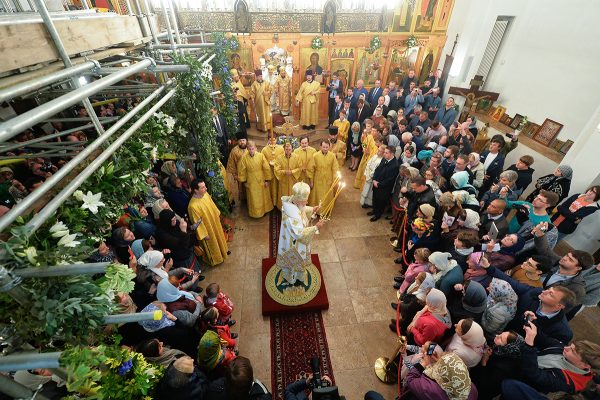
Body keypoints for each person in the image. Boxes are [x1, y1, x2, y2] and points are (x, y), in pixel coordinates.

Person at [501, 321, 600, 398]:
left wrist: (529, 345)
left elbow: (534, 374)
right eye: (571, 346)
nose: (566, 348)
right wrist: (532, 325)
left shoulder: (569, 383)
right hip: (520, 366)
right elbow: (546, 340)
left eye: (572, 351)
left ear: (585, 365)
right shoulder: (566, 351)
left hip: (523, 384)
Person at [277, 182, 324, 283]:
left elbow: (300, 209)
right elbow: (300, 234)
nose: (306, 203)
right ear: (297, 201)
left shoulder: (291, 202)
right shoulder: (292, 217)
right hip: (293, 245)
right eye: (304, 202)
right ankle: (292, 278)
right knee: (294, 261)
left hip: (291, 239)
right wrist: (316, 227)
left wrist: (312, 209)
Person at [188, 179, 229, 266]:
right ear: (195, 190)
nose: (206, 189)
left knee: (220, 237)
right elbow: (197, 222)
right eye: (202, 187)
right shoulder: (192, 206)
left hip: (214, 222)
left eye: (205, 186)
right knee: (213, 244)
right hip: (207, 229)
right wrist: (204, 234)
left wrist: (218, 216)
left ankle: (223, 252)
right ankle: (217, 259)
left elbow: (213, 205)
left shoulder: (205, 194)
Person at [238, 141, 274, 218]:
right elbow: (242, 170)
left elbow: (266, 168)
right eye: (250, 149)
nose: (251, 150)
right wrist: (244, 181)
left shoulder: (261, 156)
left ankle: (264, 211)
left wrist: (266, 180)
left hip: (261, 179)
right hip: (250, 180)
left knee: (262, 196)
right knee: (253, 198)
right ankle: (255, 213)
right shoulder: (244, 158)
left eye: (252, 148)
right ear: (247, 149)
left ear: (256, 148)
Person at [369, 145, 399, 221]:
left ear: (392, 154)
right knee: (375, 199)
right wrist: (374, 179)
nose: (384, 154)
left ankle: (377, 215)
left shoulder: (395, 165)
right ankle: (374, 210)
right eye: (384, 152)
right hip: (376, 183)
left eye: (386, 153)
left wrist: (379, 184)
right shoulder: (384, 158)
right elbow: (377, 169)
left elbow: (390, 180)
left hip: (384, 188)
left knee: (380, 202)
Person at [309, 140, 338, 206]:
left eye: (327, 147)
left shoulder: (332, 156)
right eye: (324, 147)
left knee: (327, 195)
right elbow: (311, 169)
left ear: (329, 147)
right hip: (318, 179)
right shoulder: (315, 156)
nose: (325, 149)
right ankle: (317, 210)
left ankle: (325, 210)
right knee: (317, 195)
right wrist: (311, 181)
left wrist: (334, 180)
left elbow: (335, 168)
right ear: (320, 147)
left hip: (328, 179)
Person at [273, 142, 300, 209]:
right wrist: (284, 171)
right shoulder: (279, 158)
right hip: (283, 181)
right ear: (284, 149)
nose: (288, 151)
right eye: (286, 149)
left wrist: (292, 171)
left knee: (292, 195)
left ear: (292, 149)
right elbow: (276, 169)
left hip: (293, 181)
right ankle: (283, 208)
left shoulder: (297, 157)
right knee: (284, 195)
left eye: (289, 149)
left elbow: (299, 168)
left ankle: (293, 208)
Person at [261, 137, 284, 206]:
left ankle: (278, 202)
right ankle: (270, 203)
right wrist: (268, 163)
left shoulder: (281, 148)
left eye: (274, 139)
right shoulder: (264, 149)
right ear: (268, 140)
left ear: (276, 140)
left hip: (278, 171)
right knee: (270, 188)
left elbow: (283, 158)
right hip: (269, 171)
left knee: (278, 187)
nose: (272, 141)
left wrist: (277, 164)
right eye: (270, 139)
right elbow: (262, 160)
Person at [360, 144, 385, 208]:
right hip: (368, 175)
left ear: (383, 153)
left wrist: (370, 176)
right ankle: (364, 202)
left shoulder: (381, 161)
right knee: (365, 190)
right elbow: (368, 163)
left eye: (379, 151)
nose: (377, 152)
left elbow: (376, 170)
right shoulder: (375, 156)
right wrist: (367, 173)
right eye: (378, 150)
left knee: (370, 192)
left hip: (372, 178)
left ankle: (369, 203)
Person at [226, 138, 248, 203]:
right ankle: (244, 200)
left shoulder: (250, 147)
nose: (242, 142)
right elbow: (231, 163)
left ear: (246, 141)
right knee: (241, 187)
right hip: (240, 173)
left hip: (250, 172)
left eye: (243, 140)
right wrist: (234, 174)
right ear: (238, 142)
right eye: (240, 141)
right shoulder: (234, 151)